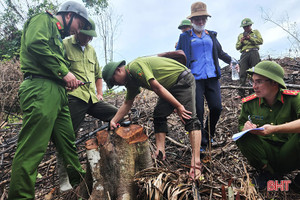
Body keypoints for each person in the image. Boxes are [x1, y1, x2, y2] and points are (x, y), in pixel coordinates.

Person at [8, 1, 90, 199]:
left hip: (57, 93)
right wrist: (64, 72)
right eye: (80, 22)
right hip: (40, 89)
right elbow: (35, 44)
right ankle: (20, 196)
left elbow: (53, 63)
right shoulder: (43, 20)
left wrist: (69, 79)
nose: (80, 29)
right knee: (33, 147)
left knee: (68, 144)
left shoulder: (60, 39)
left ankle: (82, 188)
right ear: (69, 15)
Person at [102, 56, 202, 179]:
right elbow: (127, 103)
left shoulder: (134, 67)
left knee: (189, 118)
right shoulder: (131, 82)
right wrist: (114, 120)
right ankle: (160, 153)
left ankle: (196, 162)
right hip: (169, 87)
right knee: (159, 115)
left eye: (114, 80)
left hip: (182, 80)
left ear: (118, 70)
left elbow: (156, 87)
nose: (116, 84)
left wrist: (178, 105)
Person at [176, 1, 236, 150]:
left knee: (216, 107)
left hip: (212, 77)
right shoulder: (185, 37)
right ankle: (201, 142)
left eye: (203, 18)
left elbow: (220, 53)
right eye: (197, 19)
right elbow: (178, 56)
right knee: (199, 111)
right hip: (194, 78)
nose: (200, 21)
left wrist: (232, 61)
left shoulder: (211, 36)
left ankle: (209, 136)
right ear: (191, 21)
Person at [236, 60, 300, 191]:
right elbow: (241, 125)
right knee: (242, 136)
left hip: (290, 153)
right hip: (264, 154)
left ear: (274, 82)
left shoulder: (293, 99)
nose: (254, 86)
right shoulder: (249, 103)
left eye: (259, 81)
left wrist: (274, 129)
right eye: (252, 81)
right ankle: (269, 174)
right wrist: (246, 128)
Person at [64, 18, 118, 134]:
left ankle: (111, 144)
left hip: (91, 98)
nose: (89, 39)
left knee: (117, 115)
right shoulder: (65, 45)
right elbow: (57, 68)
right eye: (86, 35)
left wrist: (99, 93)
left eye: (91, 36)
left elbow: (98, 75)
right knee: (69, 133)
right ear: (78, 31)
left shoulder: (91, 50)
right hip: (75, 97)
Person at [235, 18, 263, 99]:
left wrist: (250, 38)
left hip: (254, 53)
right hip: (244, 54)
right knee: (242, 73)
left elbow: (260, 41)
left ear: (250, 25)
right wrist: (241, 41)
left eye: (247, 26)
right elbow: (237, 47)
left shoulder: (256, 32)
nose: (245, 28)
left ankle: (253, 92)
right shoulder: (240, 35)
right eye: (244, 27)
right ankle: (241, 93)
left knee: (254, 72)